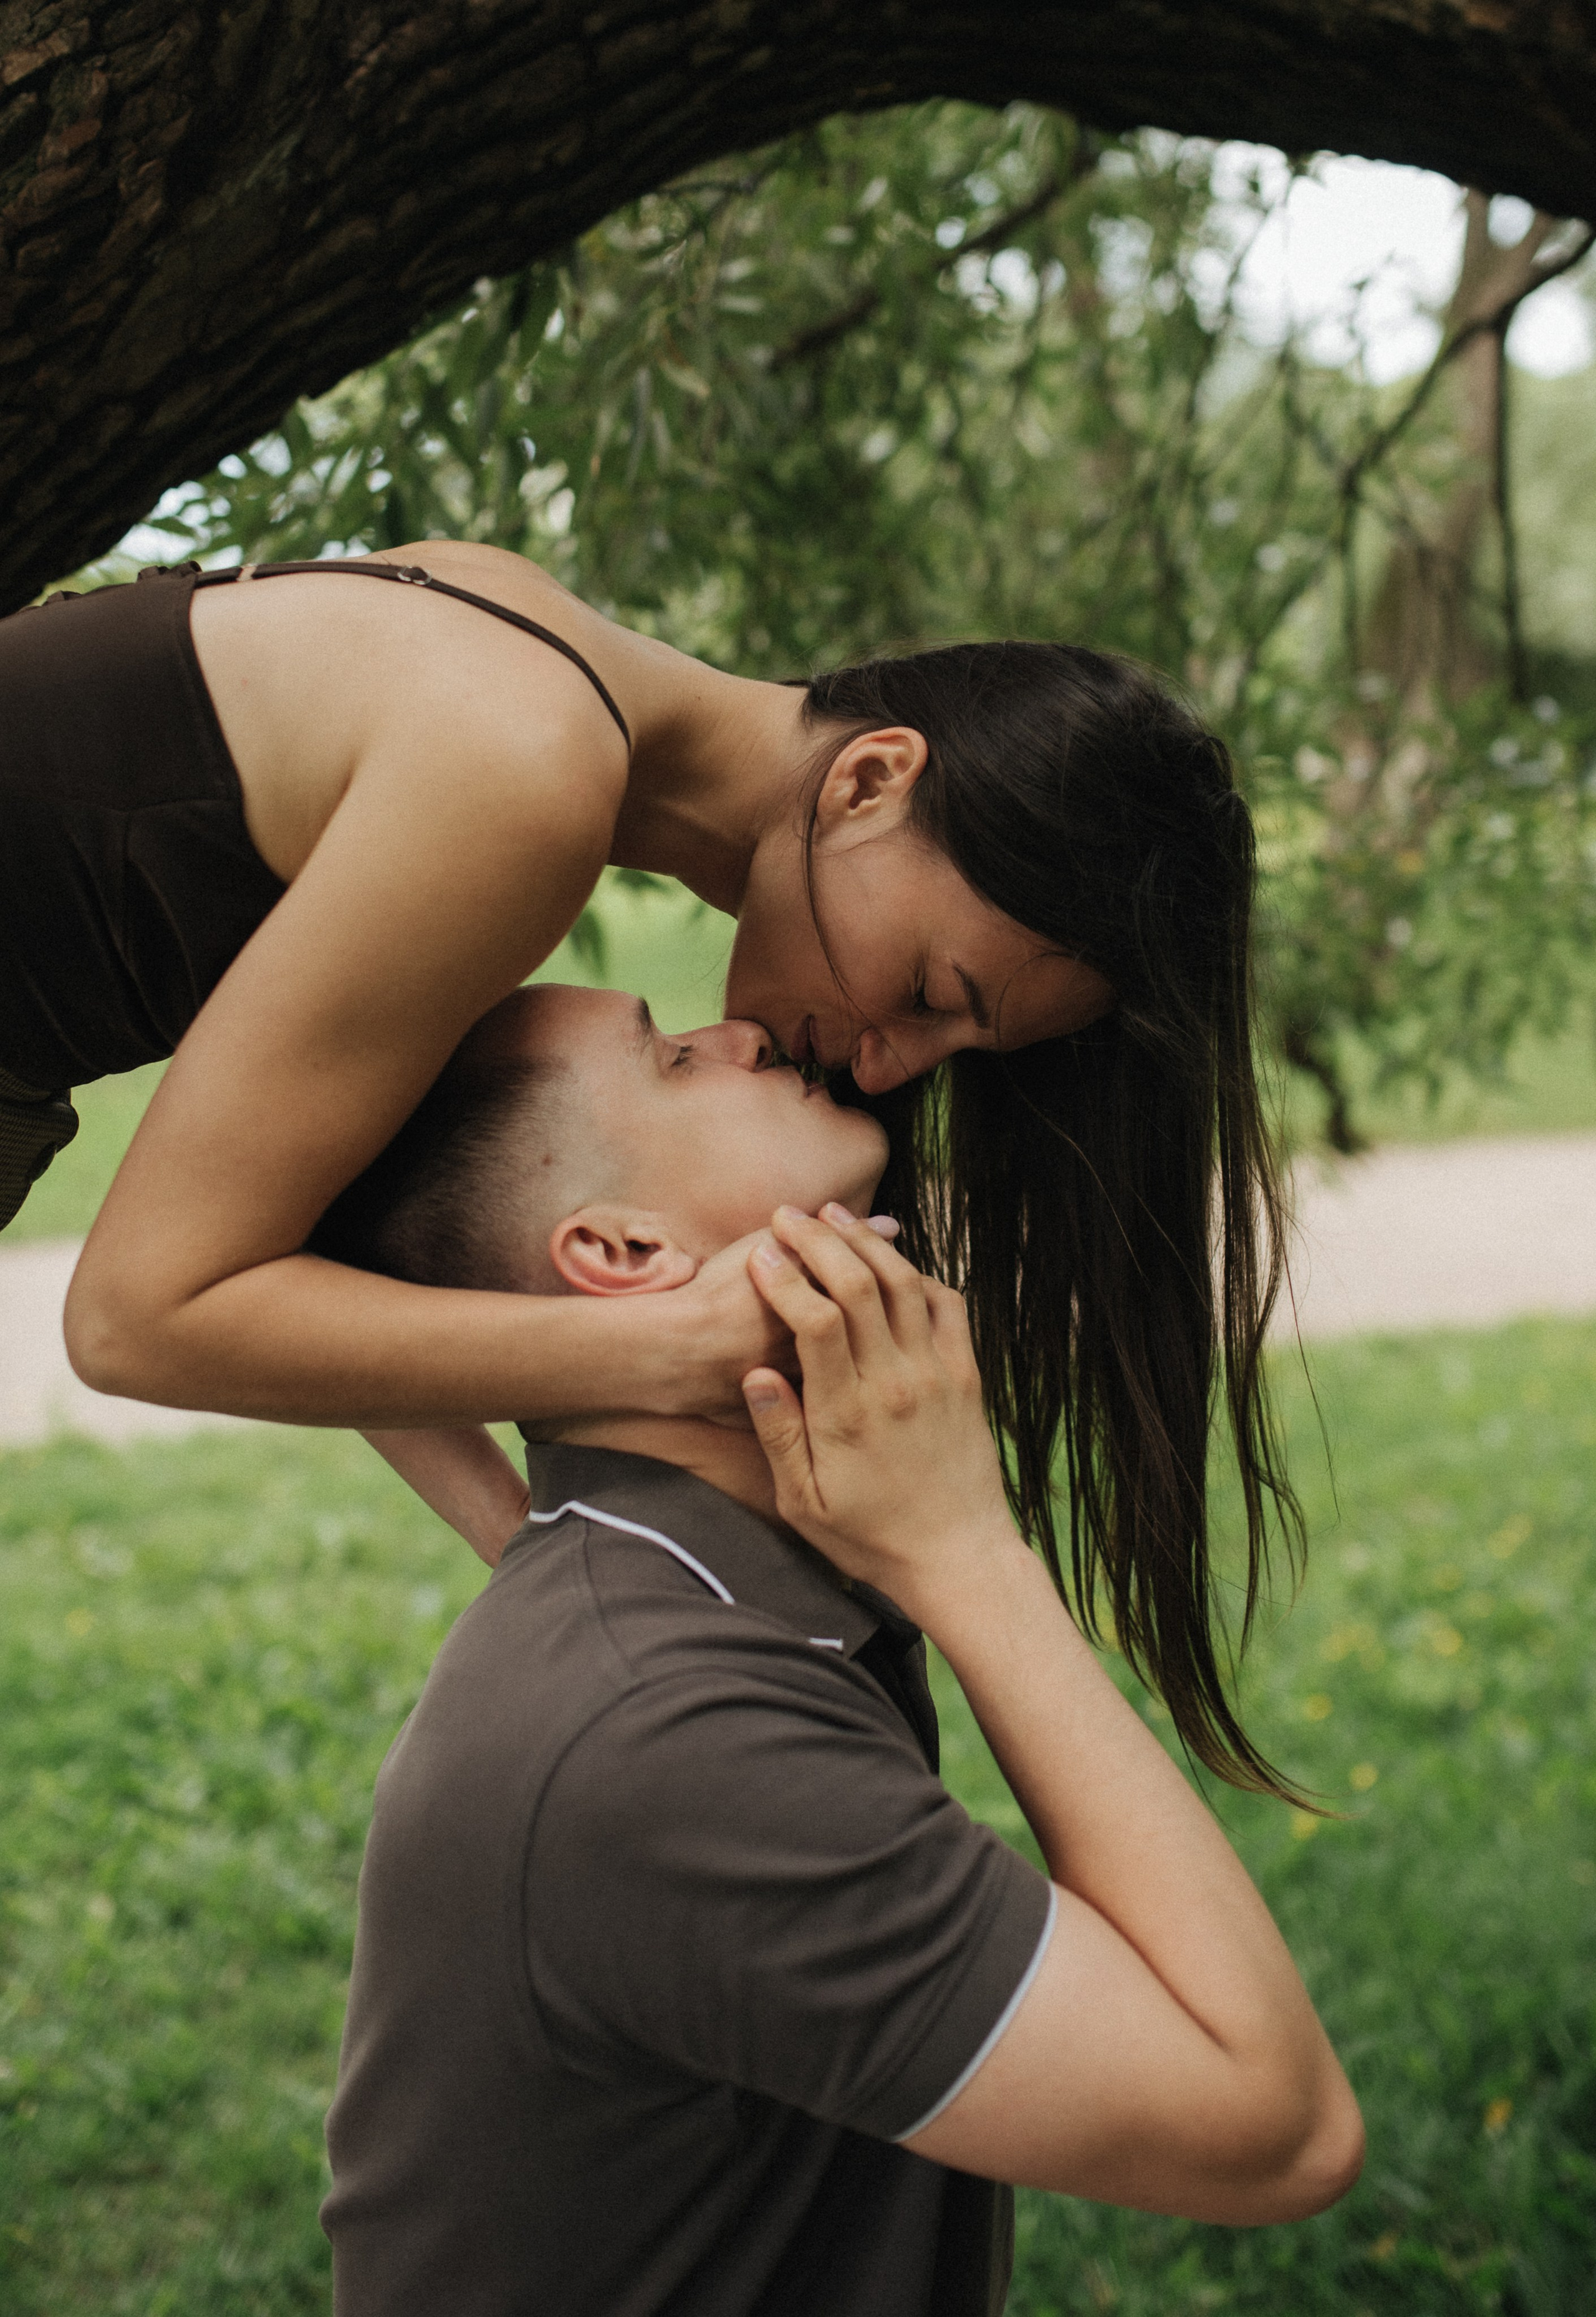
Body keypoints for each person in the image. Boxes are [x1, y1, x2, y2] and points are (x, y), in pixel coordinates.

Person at [1, 540, 1291, 1790]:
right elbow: (139, 1320)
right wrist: (671, 1347)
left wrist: (521, 1537)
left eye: (960, 1039)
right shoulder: (521, 773)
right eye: (927, 990)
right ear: (869, 779)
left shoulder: (520, 649)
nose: (897, 1066)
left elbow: (301, 1225)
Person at [317, 980, 1362, 2315]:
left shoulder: (682, 1584)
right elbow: (1274, 2126)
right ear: (623, 1253)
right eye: (675, 1056)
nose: (743, 1031)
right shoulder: (665, 1742)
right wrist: (966, 1555)